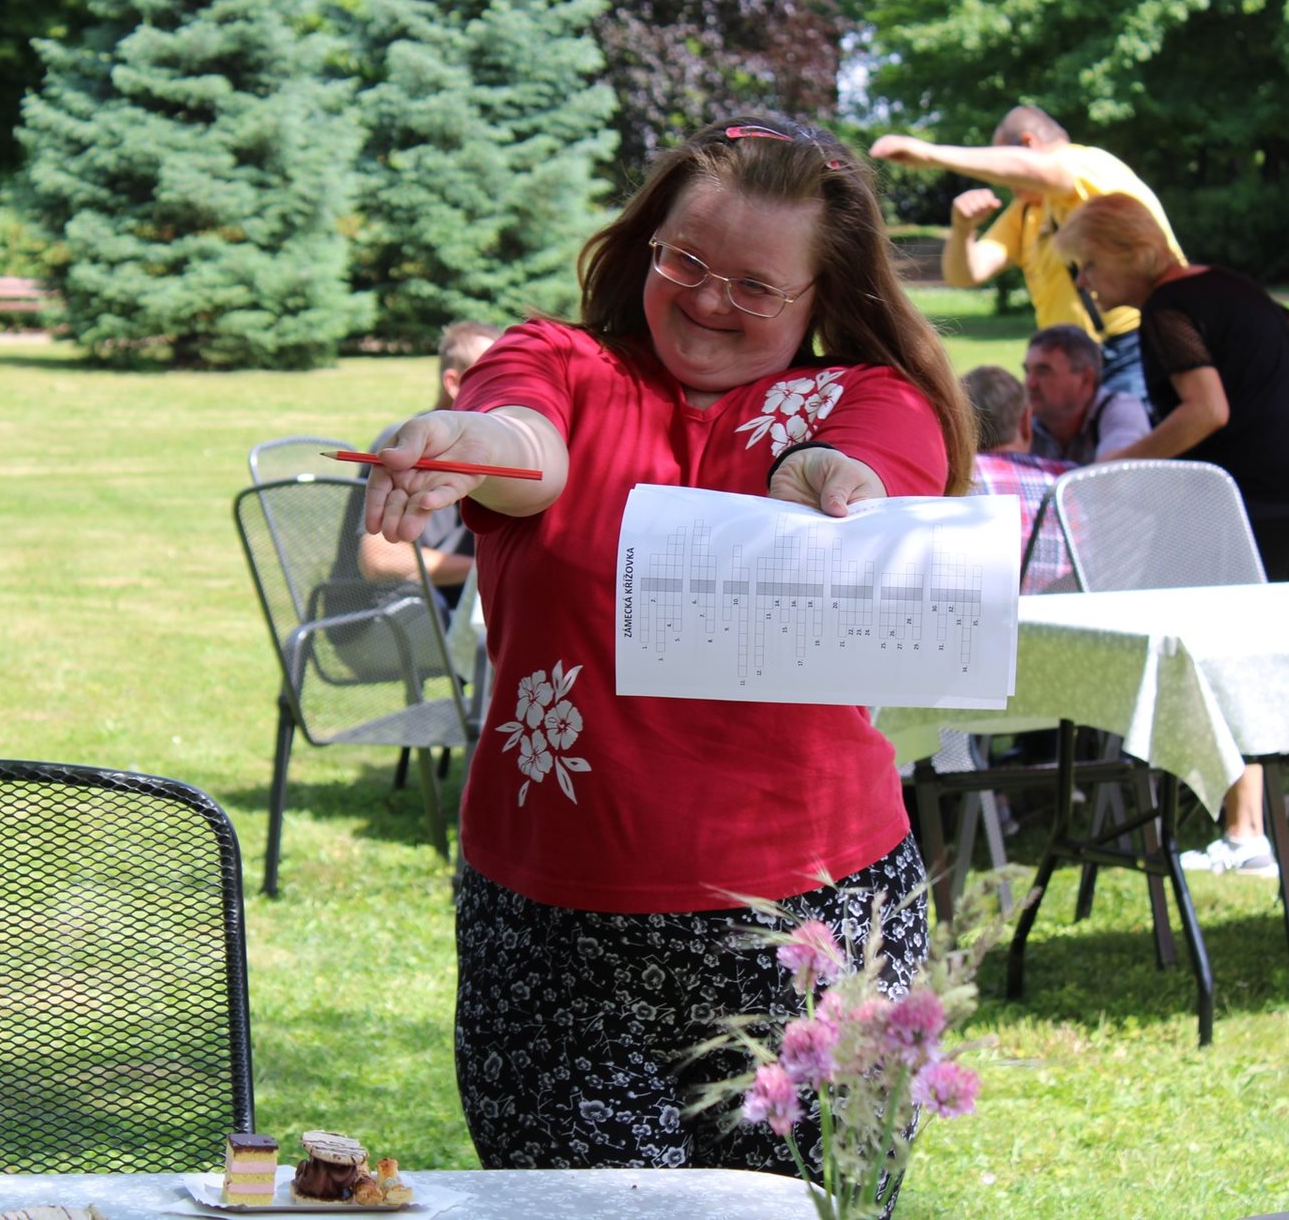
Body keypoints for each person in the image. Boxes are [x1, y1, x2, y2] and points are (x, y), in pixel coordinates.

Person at [360, 115, 972, 1195]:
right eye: (685, 260)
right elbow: (526, 443)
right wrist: (468, 445)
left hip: (810, 924)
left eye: (754, 286)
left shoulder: (869, 398)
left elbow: (865, 467)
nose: (707, 299)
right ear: (646, 242)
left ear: (822, 297)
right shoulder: (560, 360)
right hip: (550, 935)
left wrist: (828, 484)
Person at [1052, 192, 1289, 877]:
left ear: (1131, 252)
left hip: (1260, 494)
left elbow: (1207, 410)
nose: (1086, 283)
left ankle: (1246, 835)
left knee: (1234, 651)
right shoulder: (1229, 285)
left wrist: (1114, 469)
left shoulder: (1167, 308)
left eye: (1090, 264)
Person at [871, 105, 1184, 401]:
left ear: (1028, 144)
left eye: (1003, 162)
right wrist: (963, 228)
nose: (1006, 180)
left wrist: (931, 154)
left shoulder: (1087, 163)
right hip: (1069, 361)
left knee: (1137, 438)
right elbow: (965, 274)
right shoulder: (1028, 211)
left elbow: (1045, 171)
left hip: (1131, 346)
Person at [360, 320, 502, 612]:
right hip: (396, 615)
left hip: (457, 611)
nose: (507, 392)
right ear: (454, 383)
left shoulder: (492, 452)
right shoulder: (406, 446)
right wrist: (486, 568)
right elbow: (379, 559)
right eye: (493, 378)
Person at [961, 365, 1073, 593]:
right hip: (1063, 611)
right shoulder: (1070, 481)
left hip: (983, 611)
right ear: (1025, 422)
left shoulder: (953, 481)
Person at [1022, 325, 1151, 464]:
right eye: (1027, 371)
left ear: (1086, 380)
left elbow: (1118, 470)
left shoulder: (1119, 410)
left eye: (1043, 372)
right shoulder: (1022, 417)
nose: (1030, 384)